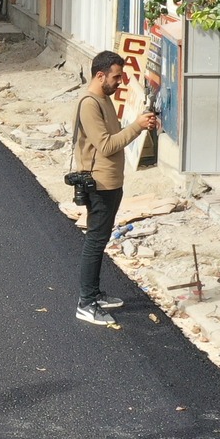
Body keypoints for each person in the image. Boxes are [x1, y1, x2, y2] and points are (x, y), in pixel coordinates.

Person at [70, 51, 161, 327]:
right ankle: (86, 303)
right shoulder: (89, 104)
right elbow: (107, 145)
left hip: (112, 182)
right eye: (116, 77)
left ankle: (95, 293)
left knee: (100, 239)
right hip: (100, 184)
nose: (120, 82)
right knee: (95, 241)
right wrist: (137, 126)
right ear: (100, 75)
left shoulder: (104, 100)